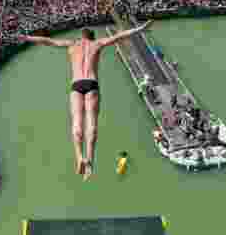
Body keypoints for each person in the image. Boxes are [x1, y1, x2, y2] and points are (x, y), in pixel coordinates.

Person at [21, 22, 153, 179]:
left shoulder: (72, 43)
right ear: (92, 37)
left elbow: (48, 41)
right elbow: (120, 36)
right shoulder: (97, 43)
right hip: (91, 83)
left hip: (76, 84)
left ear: (81, 36)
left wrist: (27, 37)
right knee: (92, 123)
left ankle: (79, 156)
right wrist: (141, 29)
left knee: (77, 122)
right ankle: (89, 160)